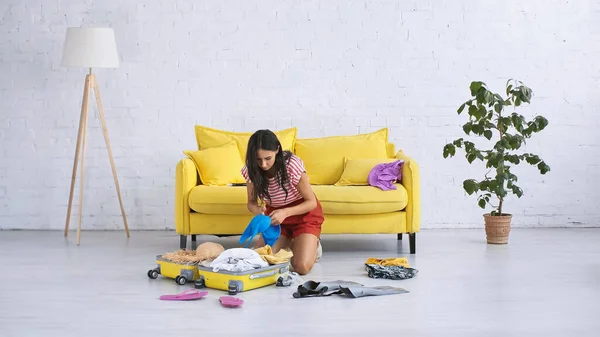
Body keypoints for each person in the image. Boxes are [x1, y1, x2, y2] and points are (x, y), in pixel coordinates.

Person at [241, 129, 324, 275]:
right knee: (261, 260)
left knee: (301, 267)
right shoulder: (251, 169)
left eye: (268, 158)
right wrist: (257, 210)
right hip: (276, 218)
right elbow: (251, 202)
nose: (264, 164)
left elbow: (311, 202)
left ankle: (312, 245)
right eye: (258, 159)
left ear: (277, 150)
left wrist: (286, 212)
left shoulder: (291, 165)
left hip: (303, 214)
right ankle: (293, 241)